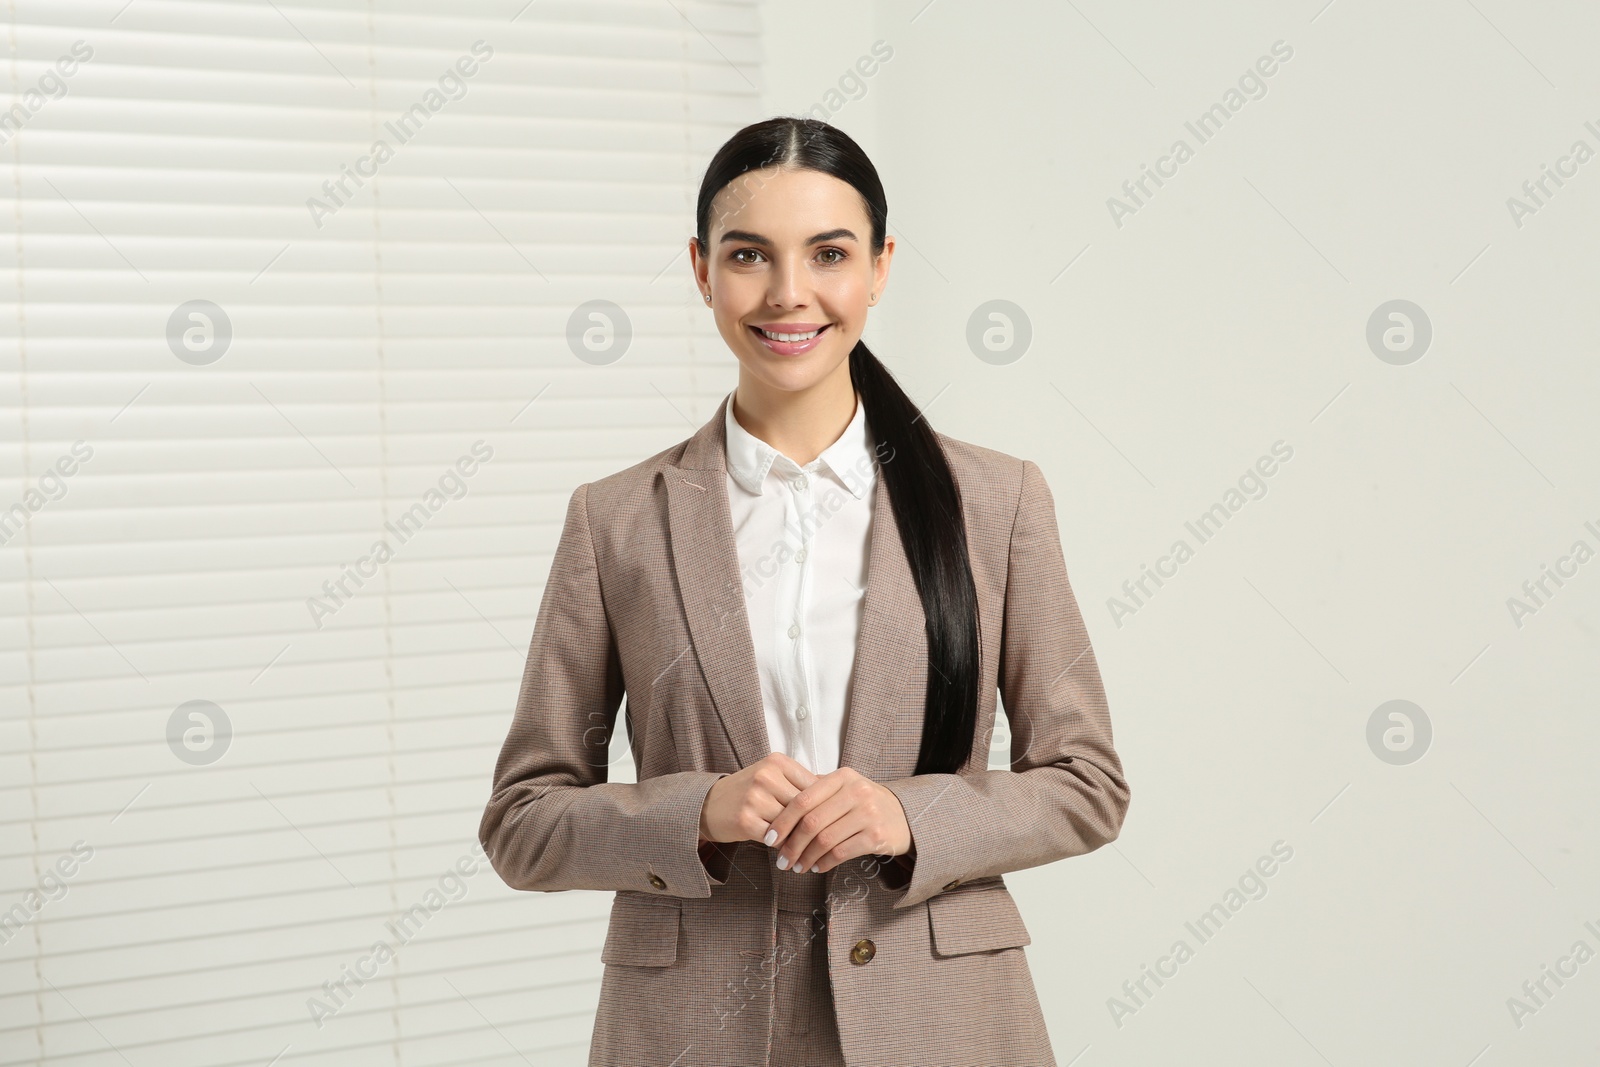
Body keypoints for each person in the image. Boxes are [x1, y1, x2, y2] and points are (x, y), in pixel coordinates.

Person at [478, 116, 1131, 1067]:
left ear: (880, 265)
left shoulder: (999, 501)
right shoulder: (614, 520)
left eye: (829, 253)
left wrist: (910, 816)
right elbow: (523, 822)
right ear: (701, 269)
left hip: (941, 1018)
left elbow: (1087, 783)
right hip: (694, 1026)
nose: (790, 293)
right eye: (750, 255)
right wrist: (695, 810)